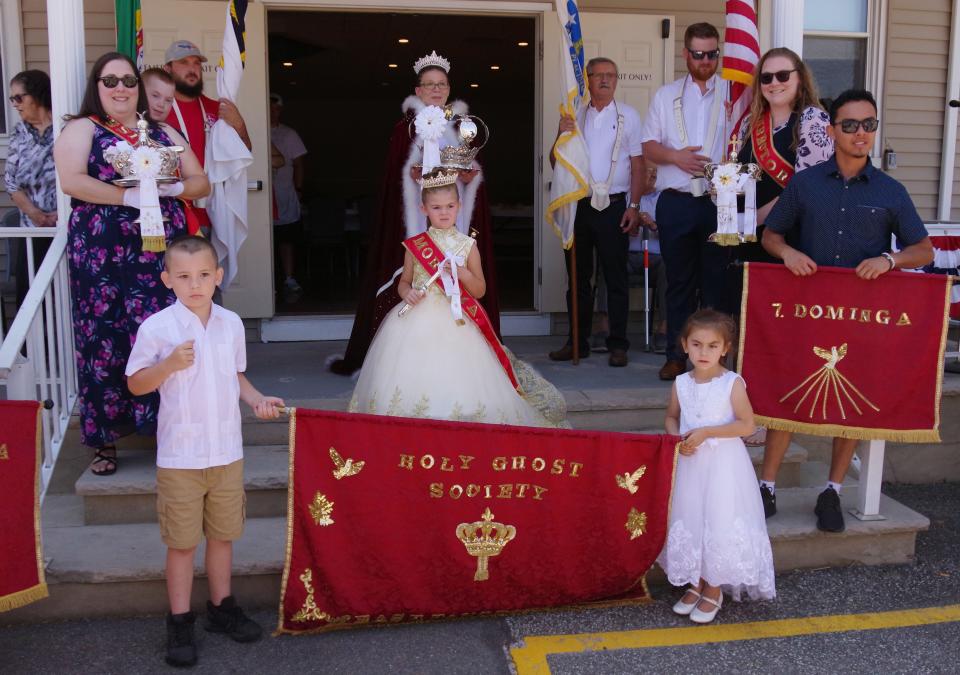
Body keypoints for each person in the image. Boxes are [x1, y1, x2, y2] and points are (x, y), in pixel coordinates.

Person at [759, 89, 934, 532]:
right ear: (833, 129)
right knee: (789, 392)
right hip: (806, 310)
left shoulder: (891, 191)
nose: (861, 133)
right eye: (851, 125)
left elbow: (923, 248)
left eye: (869, 125)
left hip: (861, 315)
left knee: (851, 402)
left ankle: (832, 492)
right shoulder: (806, 183)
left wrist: (890, 260)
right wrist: (788, 255)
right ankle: (766, 486)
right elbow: (771, 236)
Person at [126, 235, 283, 667]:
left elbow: (236, 378)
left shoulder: (231, 323)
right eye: (182, 276)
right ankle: (179, 620)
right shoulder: (158, 328)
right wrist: (168, 365)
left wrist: (257, 400)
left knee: (223, 535)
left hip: (226, 452)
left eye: (202, 275)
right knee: (181, 543)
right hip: (181, 456)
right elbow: (136, 384)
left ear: (217, 276)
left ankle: (222, 608)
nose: (193, 284)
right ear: (167, 280)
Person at [53, 52, 210, 476]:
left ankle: (167, 428)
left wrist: (171, 187)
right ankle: (105, 438)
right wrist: (130, 196)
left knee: (163, 331)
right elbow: (72, 181)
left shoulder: (160, 131)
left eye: (127, 80)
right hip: (103, 250)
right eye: (110, 81)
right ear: (97, 86)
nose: (120, 88)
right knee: (104, 334)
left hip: (160, 249)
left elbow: (201, 181)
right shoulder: (83, 127)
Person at [349, 170, 566, 428]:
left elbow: (480, 290)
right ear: (424, 209)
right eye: (436, 207)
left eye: (450, 206)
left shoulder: (467, 246)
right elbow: (404, 282)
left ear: (459, 207)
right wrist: (407, 292)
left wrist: (461, 273)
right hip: (415, 321)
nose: (444, 212)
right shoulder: (415, 245)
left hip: (457, 319)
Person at [329, 50, 500, 376]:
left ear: (449, 89)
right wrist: (412, 173)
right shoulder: (404, 129)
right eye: (429, 84)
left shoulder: (462, 127)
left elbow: (469, 169)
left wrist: (467, 177)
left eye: (442, 84)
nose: (436, 90)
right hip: (415, 224)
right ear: (418, 90)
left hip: (454, 221)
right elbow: (397, 174)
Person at [733, 47, 834, 447]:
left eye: (782, 75)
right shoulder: (754, 124)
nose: (774, 83)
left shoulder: (811, 120)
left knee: (778, 332)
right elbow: (740, 178)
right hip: (749, 242)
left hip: (787, 242)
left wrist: (760, 218)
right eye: (767, 77)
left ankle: (772, 415)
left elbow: (808, 185)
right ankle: (748, 411)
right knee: (750, 329)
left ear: (799, 77)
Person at [659, 309, 775, 624]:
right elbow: (671, 417)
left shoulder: (731, 384)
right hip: (690, 464)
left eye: (712, 346)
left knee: (718, 519)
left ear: (725, 348)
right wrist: (676, 439)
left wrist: (708, 432)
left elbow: (747, 424)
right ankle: (694, 582)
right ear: (684, 345)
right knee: (691, 517)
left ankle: (714, 588)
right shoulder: (681, 383)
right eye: (696, 344)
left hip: (723, 466)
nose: (704, 352)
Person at [641, 22, 731, 381]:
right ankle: (677, 356)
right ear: (685, 55)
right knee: (678, 281)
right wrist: (677, 157)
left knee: (716, 283)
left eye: (712, 54)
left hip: (717, 201)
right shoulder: (666, 96)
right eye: (698, 54)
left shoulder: (734, 93)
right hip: (676, 200)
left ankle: (715, 360)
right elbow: (648, 146)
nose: (705, 60)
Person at [548, 56, 645, 368]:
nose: (605, 80)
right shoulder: (573, 115)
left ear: (617, 80)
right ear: (587, 80)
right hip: (580, 205)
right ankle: (577, 342)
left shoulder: (629, 116)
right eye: (598, 75)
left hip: (615, 206)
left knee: (615, 278)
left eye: (611, 75)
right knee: (578, 279)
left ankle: (618, 344)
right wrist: (560, 134)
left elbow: (638, 164)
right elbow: (556, 162)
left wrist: (634, 205)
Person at [163, 39, 251, 239]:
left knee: (211, 270)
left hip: (212, 213)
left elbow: (244, 152)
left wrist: (239, 125)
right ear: (167, 68)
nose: (192, 68)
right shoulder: (158, 110)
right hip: (171, 213)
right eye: (183, 62)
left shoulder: (217, 109)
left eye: (196, 63)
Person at [4, 70, 57, 307]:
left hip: (65, 226)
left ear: (36, 95)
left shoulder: (66, 128)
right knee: (30, 295)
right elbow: (11, 182)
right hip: (32, 229)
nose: (15, 104)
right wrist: (36, 215)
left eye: (19, 97)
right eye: (12, 99)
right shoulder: (19, 133)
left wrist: (60, 215)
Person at [269, 92, 307, 301]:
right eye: (269, 108)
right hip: (261, 194)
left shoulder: (289, 134)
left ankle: (289, 278)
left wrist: (299, 188)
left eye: (276, 108)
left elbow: (299, 163)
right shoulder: (255, 130)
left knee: (287, 237)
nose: (272, 112)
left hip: (284, 192)